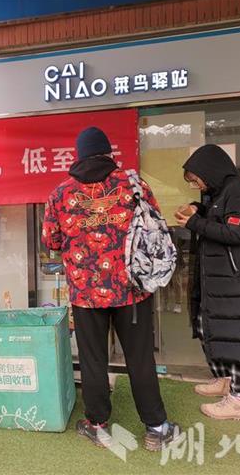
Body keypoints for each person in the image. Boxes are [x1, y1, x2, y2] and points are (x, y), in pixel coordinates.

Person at [42, 126, 181, 451]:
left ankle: (97, 425)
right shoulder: (134, 185)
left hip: (85, 294)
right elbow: (155, 225)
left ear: (78, 155)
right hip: (131, 289)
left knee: (92, 359)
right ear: (108, 153)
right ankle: (156, 428)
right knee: (140, 358)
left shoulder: (60, 193)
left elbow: (52, 241)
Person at [174, 144, 240, 421]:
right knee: (210, 328)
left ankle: (237, 400)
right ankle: (224, 380)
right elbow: (214, 214)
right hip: (221, 282)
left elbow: (235, 233)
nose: (197, 184)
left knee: (238, 337)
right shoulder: (221, 193)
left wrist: (193, 223)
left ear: (211, 170)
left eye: (196, 179)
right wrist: (196, 208)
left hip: (238, 283)